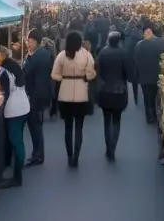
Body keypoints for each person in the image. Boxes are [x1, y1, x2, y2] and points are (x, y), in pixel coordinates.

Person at [51, 31, 96, 167]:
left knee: (68, 127)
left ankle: (69, 156)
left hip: (65, 93)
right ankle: (76, 155)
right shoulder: (87, 55)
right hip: (82, 93)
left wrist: (63, 78)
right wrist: (85, 77)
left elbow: (54, 74)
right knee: (79, 127)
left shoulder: (61, 56)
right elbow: (91, 74)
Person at [0, 46, 30, 188]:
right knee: (18, 139)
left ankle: (17, 178)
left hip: (15, 110)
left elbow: (3, 94)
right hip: (23, 106)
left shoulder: (4, 71)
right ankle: (16, 170)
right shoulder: (12, 66)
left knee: (16, 140)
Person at [96, 31, 131, 160]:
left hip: (105, 90)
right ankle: (113, 147)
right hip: (119, 90)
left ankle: (108, 147)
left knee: (106, 121)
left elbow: (97, 71)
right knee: (116, 120)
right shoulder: (123, 53)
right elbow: (128, 72)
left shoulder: (103, 53)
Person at [23, 30, 53, 166]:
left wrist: (27, 58)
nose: (28, 44)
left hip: (35, 95)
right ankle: (38, 153)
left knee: (35, 126)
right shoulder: (45, 54)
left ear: (36, 41)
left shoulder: (35, 57)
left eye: (30, 41)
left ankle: (38, 155)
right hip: (42, 93)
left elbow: (27, 72)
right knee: (37, 126)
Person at [133, 23, 164, 125]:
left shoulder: (138, 45)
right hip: (156, 74)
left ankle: (149, 116)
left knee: (147, 97)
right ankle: (157, 116)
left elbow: (135, 61)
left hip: (144, 76)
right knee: (157, 96)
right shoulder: (160, 43)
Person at [124, 21, 143, 105]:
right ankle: (137, 97)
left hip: (132, 63)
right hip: (139, 63)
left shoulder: (129, 39)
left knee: (134, 83)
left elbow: (127, 52)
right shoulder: (140, 41)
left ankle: (135, 98)